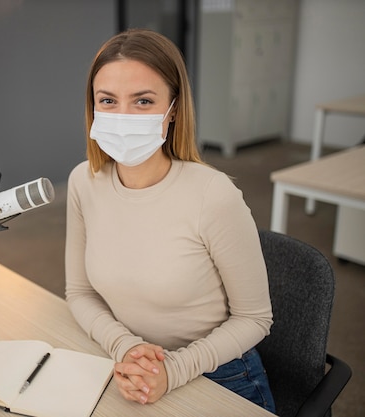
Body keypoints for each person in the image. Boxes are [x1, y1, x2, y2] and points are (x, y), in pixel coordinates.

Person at [65, 28, 276, 413]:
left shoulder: (213, 194)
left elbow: (255, 318)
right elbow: (80, 293)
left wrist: (173, 370)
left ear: (173, 109)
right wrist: (125, 345)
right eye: (108, 100)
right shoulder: (84, 181)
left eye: (143, 101)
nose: (123, 115)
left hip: (218, 373)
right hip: (128, 364)